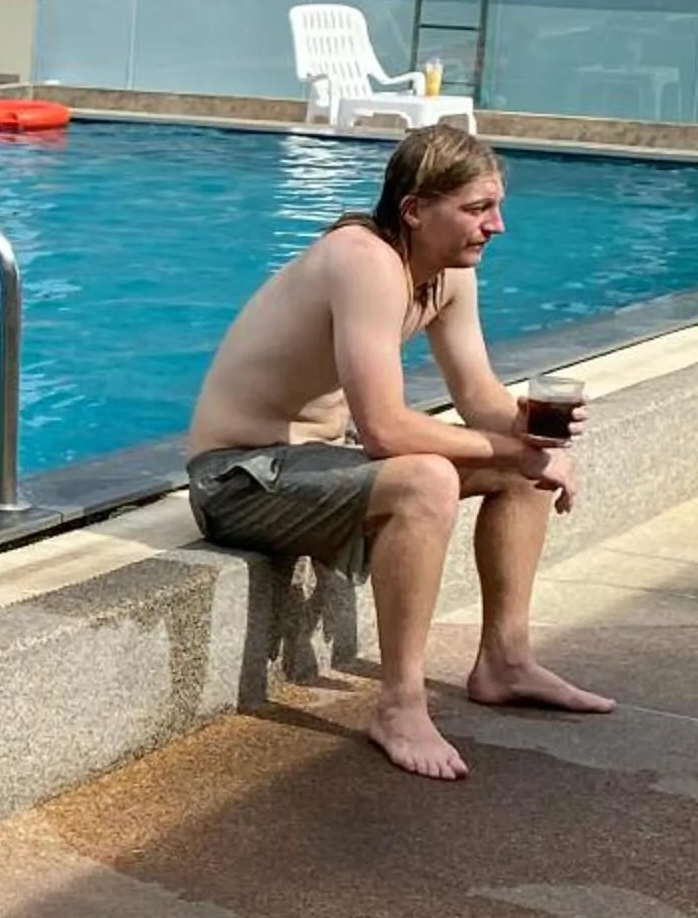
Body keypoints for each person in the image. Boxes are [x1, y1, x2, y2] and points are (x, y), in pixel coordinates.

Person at [184, 125, 612, 781]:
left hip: (315, 466)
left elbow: (478, 394)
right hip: (237, 478)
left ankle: (506, 661)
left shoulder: (448, 274)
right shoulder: (364, 259)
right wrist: (515, 449)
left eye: (496, 207)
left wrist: (530, 432)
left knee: (522, 467)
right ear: (414, 209)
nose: (496, 226)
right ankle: (399, 705)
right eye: (477, 208)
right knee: (428, 480)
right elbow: (383, 430)